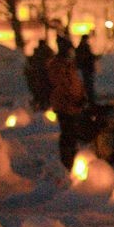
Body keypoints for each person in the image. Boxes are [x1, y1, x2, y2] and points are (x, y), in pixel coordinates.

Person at [48, 39, 87, 170]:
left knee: (73, 133)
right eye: (70, 49)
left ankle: (72, 158)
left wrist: (82, 96)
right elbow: (63, 87)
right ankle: (67, 162)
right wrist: (73, 99)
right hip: (65, 106)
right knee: (68, 133)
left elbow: (76, 83)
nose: (73, 52)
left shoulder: (69, 65)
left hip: (73, 105)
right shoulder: (58, 66)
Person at [23, 38, 52, 111]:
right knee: (44, 91)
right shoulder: (47, 52)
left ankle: (40, 107)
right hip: (44, 76)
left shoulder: (37, 54)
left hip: (39, 76)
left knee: (39, 92)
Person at [74, 34, 98, 104]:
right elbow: (89, 57)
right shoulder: (85, 47)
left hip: (84, 68)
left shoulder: (79, 47)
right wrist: (95, 57)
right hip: (87, 67)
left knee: (85, 83)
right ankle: (90, 98)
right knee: (88, 84)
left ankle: (87, 97)